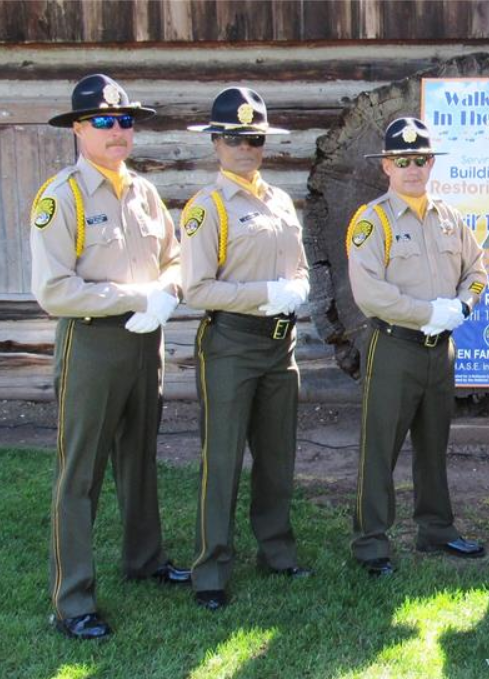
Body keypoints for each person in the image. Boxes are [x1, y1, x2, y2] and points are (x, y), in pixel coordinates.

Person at [30, 74, 189, 640]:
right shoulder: (63, 197)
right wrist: (132, 298)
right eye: (103, 121)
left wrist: (167, 292)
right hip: (93, 343)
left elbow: (174, 257)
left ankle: (144, 559)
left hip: (146, 340)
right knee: (82, 472)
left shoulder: (144, 193)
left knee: (139, 457)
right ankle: (72, 598)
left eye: (124, 121)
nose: (117, 131)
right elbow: (54, 290)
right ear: (78, 129)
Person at [180, 87, 312, 611]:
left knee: (278, 456)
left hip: (281, 347)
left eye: (253, 138)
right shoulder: (206, 207)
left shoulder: (279, 200)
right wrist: (265, 296)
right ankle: (211, 569)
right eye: (233, 138)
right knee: (223, 459)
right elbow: (196, 289)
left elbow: (298, 264)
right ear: (216, 142)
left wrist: (296, 287)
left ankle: (276, 550)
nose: (244, 147)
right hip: (231, 343)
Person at [346, 117, 488, 576]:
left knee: (433, 445)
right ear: (387, 165)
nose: (413, 168)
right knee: (380, 449)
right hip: (395, 348)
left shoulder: (449, 217)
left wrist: (463, 307)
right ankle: (371, 542)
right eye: (402, 160)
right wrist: (427, 313)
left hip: (439, 352)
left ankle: (437, 529)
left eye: (421, 159)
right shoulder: (373, 221)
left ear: (431, 164)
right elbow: (370, 294)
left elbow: (478, 271)